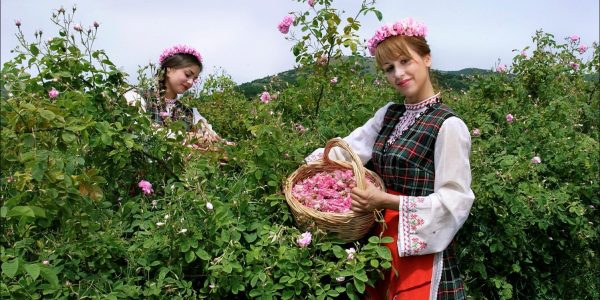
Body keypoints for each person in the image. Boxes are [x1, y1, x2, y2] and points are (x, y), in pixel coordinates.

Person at [305, 18, 474, 299]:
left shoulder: (448, 125)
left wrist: (387, 201)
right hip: (379, 242)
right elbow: (348, 149)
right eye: (389, 68)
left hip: (421, 248)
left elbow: (455, 202)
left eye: (405, 61)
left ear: (427, 57)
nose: (399, 73)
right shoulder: (389, 114)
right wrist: (305, 169)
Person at [124, 44, 224, 145]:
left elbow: (213, 137)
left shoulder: (191, 114)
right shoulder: (136, 98)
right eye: (187, 74)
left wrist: (219, 142)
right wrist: (188, 137)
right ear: (169, 69)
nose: (190, 82)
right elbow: (139, 130)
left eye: (194, 79)